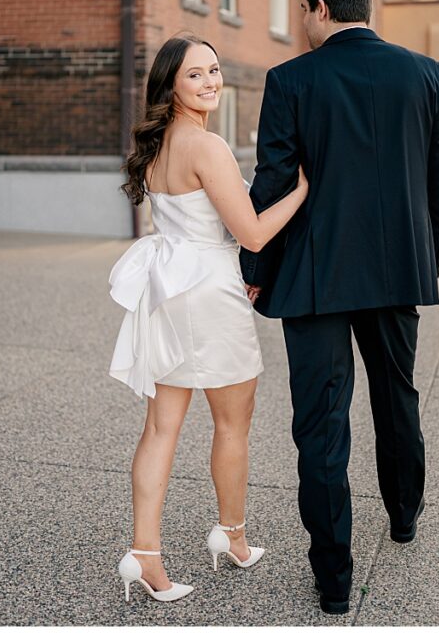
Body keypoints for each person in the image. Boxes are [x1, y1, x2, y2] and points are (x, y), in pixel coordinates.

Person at [239, 0, 439, 615]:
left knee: (322, 428)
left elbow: (273, 182)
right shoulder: (422, 73)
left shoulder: (290, 80)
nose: (303, 21)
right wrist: (426, 261)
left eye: (304, 10)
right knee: (398, 400)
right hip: (397, 272)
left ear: (321, 10)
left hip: (314, 277)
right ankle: (404, 517)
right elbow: (437, 182)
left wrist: (253, 272)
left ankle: (333, 579)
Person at [109, 34, 309, 602]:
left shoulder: (156, 144)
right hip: (210, 292)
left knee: (159, 429)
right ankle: (234, 537)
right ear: (172, 82)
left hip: (169, 291)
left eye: (214, 70)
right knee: (232, 425)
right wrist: (301, 192)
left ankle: (145, 554)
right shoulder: (207, 145)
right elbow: (249, 232)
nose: (211, 81)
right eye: (195, 74)